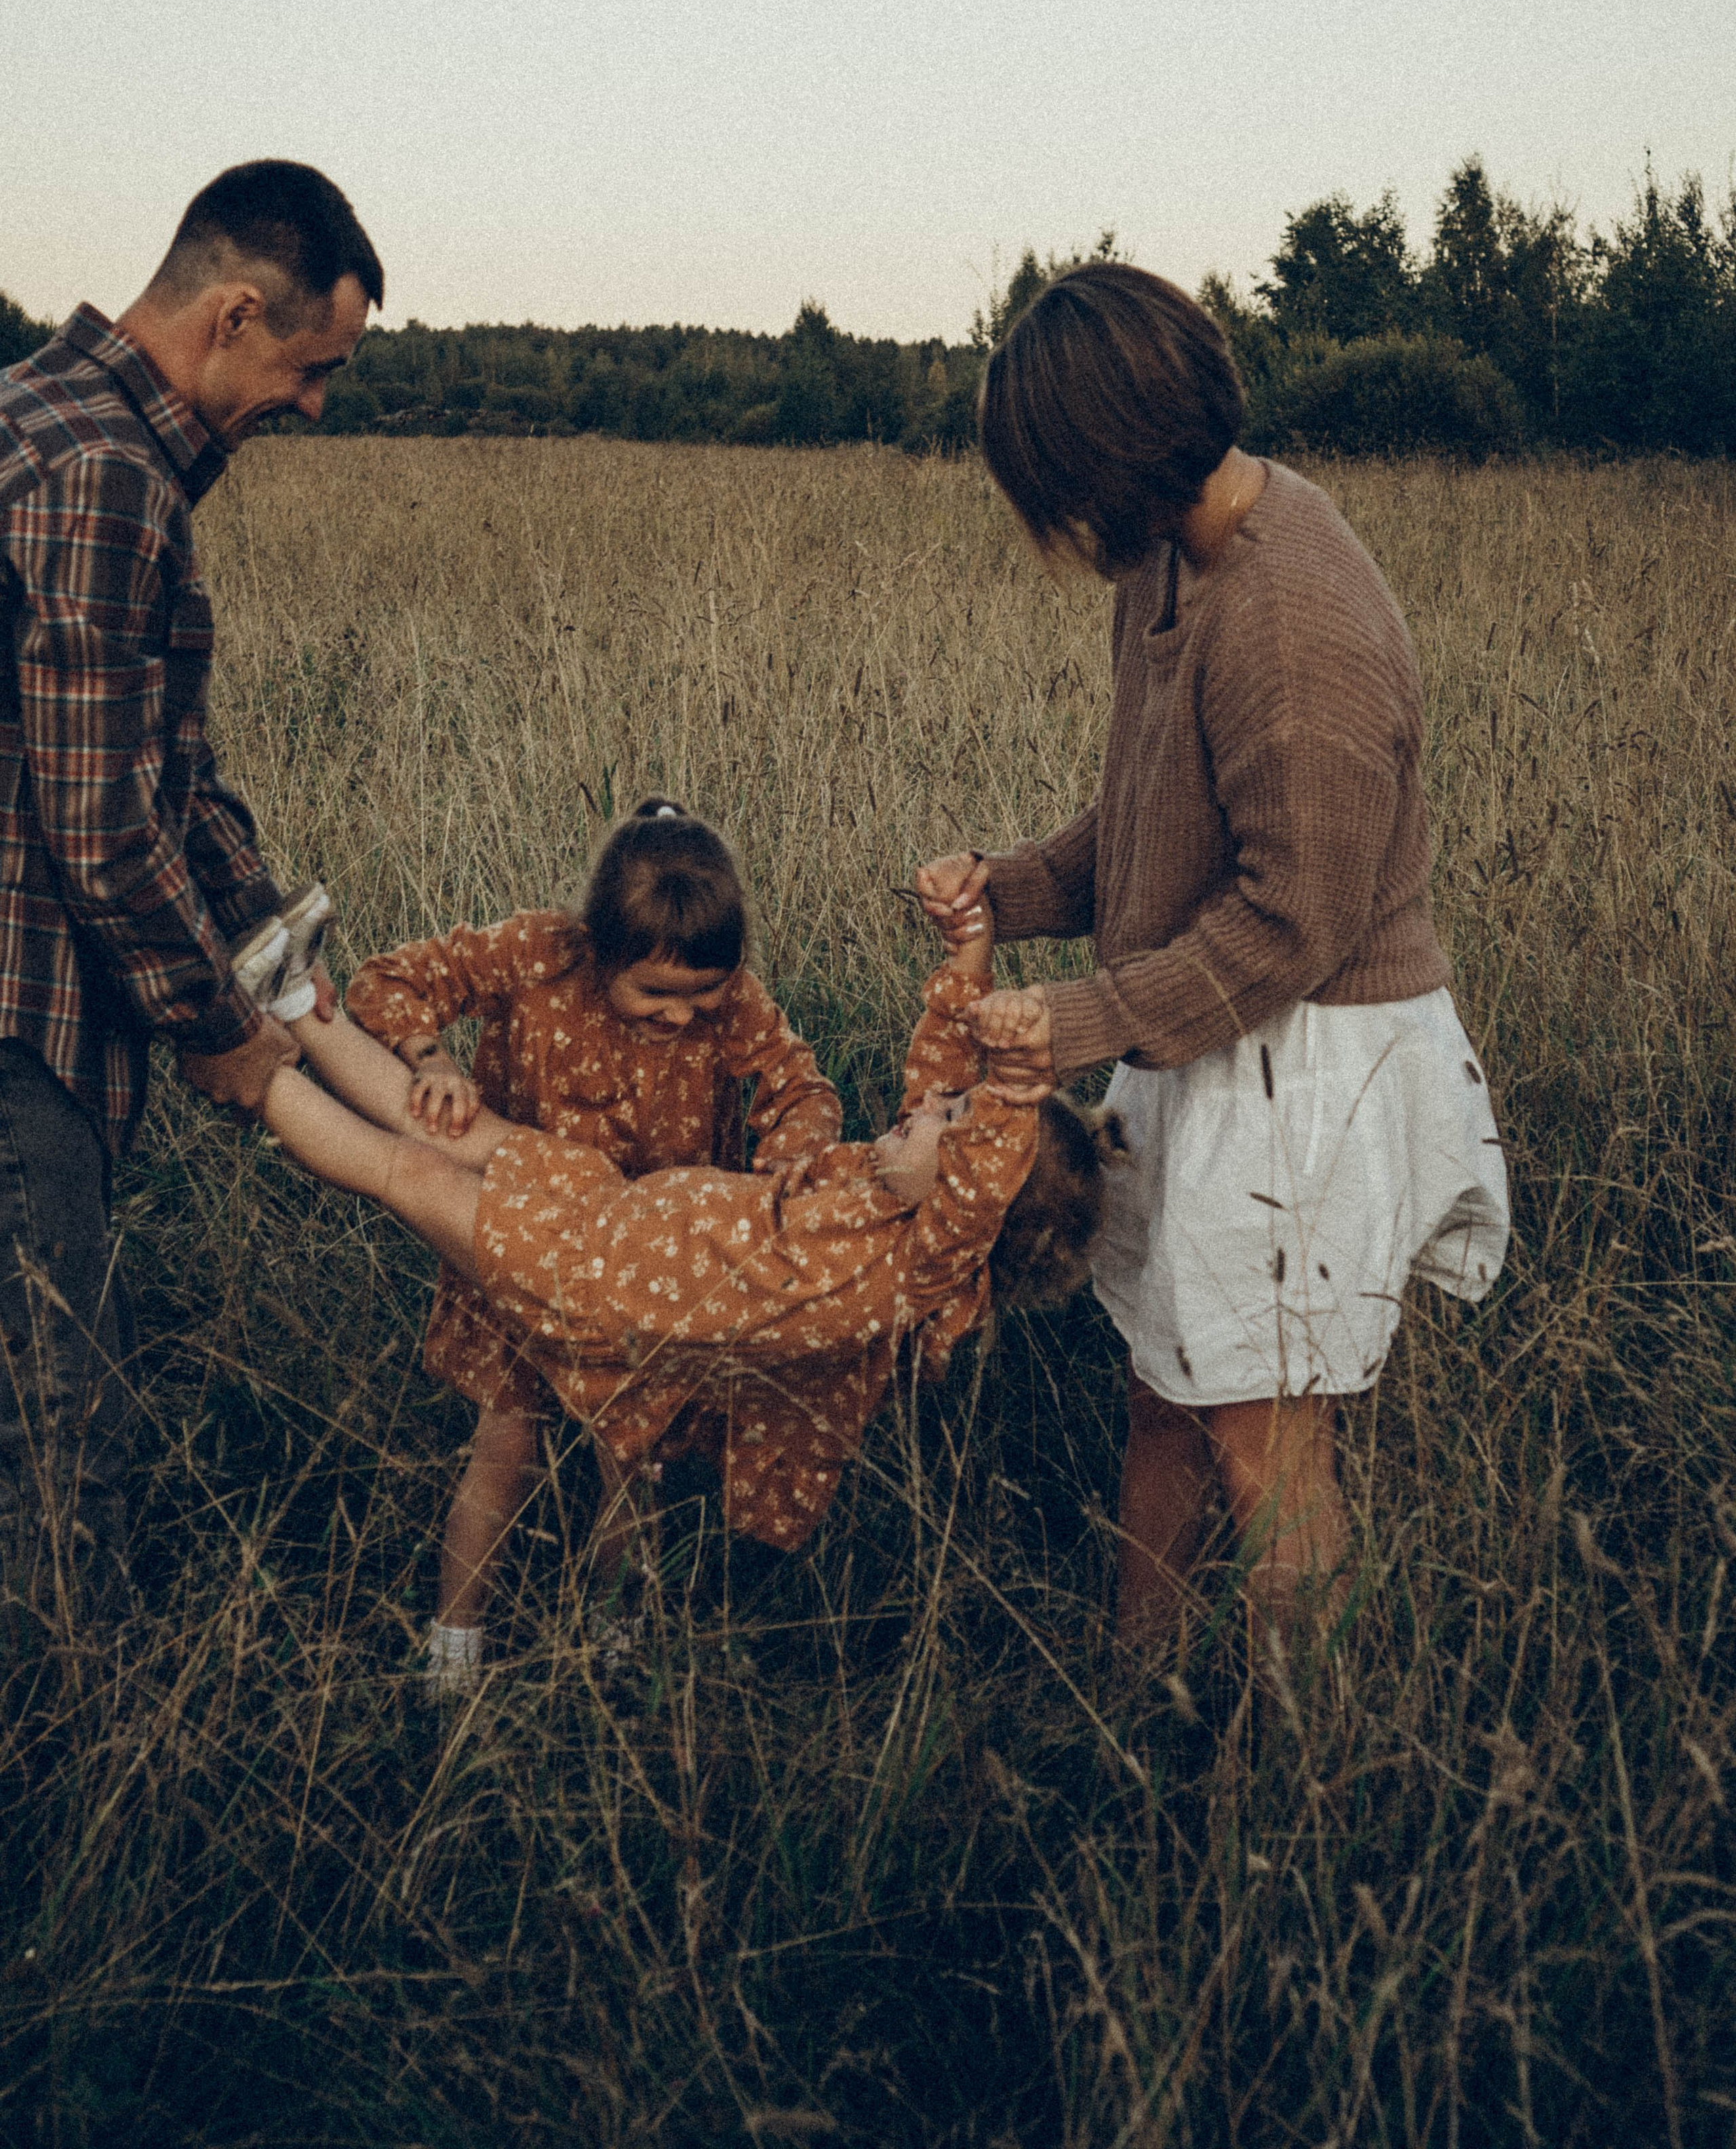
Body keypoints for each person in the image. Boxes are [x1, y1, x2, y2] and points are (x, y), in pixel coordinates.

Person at [915, 260, 1509, 1653]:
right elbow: (1150, 817)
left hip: (1304, 1077)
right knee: (1163, 1385)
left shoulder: (1291, 620)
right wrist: (1005, 887)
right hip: (1207, 1048)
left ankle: (1294, 1809)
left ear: (1103, 462)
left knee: (1263, 1449)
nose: (1051, 526)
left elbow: (1289, 923)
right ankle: (1136, 1702)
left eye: (1049, 486)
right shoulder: (1173, 558)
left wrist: (1072, 1023)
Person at [253, 888, 1116, 1687]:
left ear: (977, 1195)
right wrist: (971, 949)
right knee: (456, 1126)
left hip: (600, 1286)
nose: (930, 1108)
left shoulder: (922, 1258)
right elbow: (939, 1068)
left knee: (409, 1172)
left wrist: (1014, 1074)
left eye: (957, 1119)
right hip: (612, 1210)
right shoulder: (894, 1190)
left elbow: (986, 1157)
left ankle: (250, 1066)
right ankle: (291, 998)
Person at [0, 161, 381, 1628]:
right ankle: (64, 1770)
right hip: (18, 1027)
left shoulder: (37, 416)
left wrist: (277, 949)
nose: (316, 404)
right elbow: (95, 822)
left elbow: (164, 771)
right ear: (232, 316)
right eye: (312, 366)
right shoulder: (103, 471)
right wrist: (223, 1028)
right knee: (56, 1437)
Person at [343, 797, 843, 1687]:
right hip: (518, 1245)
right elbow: (388, 981)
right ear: (598, 949)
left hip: (648, 1272)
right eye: (653, 993)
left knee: (631, 1459)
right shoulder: (541, 955)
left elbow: (801, 1092)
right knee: (505, 1449)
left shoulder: (733, 1004)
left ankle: (619, 1648)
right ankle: (453, 1657)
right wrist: (431, 1057)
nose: (682, 1016)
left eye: (704, 994)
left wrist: (781, 1179)